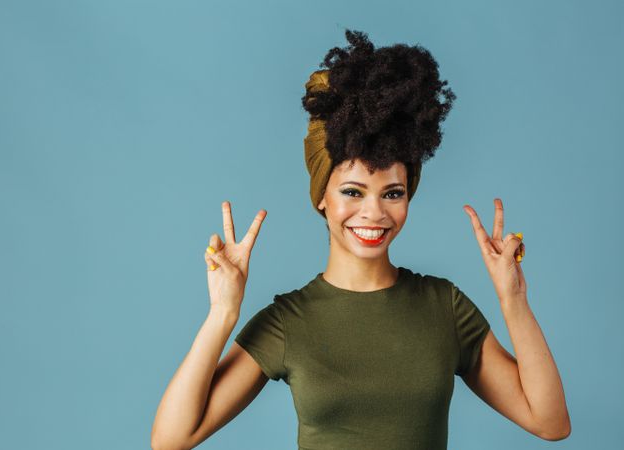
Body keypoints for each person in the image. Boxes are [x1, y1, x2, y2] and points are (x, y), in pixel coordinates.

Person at [150, 29, 571, 450]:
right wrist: (223, 313)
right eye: (352, 191)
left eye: (393, 193)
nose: (374, 213)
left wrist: (513, 299)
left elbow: (550, 422)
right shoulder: (288, 321)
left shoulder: (445, 307)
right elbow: (170, 439)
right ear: (322, 199)